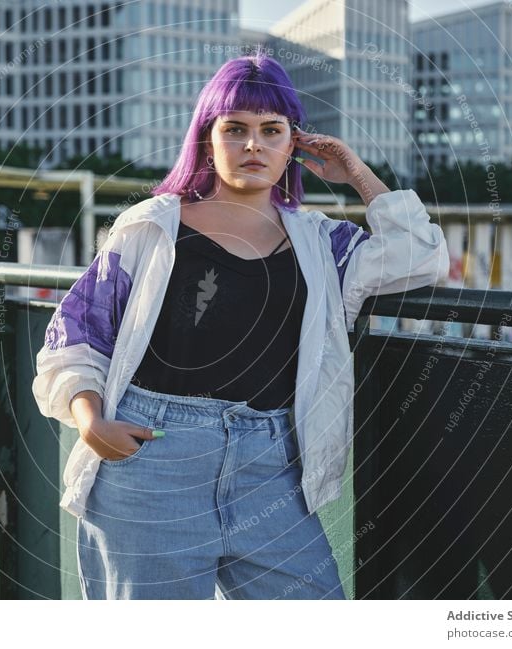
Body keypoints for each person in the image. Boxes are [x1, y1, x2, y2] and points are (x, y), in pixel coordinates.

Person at [32, 53, 450, 600]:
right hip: (152, 462)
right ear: (208, 139)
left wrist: (353, 169)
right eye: (236, 129)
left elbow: (420, 256)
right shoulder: (153, 227)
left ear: (292, 146)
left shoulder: (321, 243)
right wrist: (90, 421)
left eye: (271, 131)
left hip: (271, 468)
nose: (253, 145)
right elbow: (78, 331)